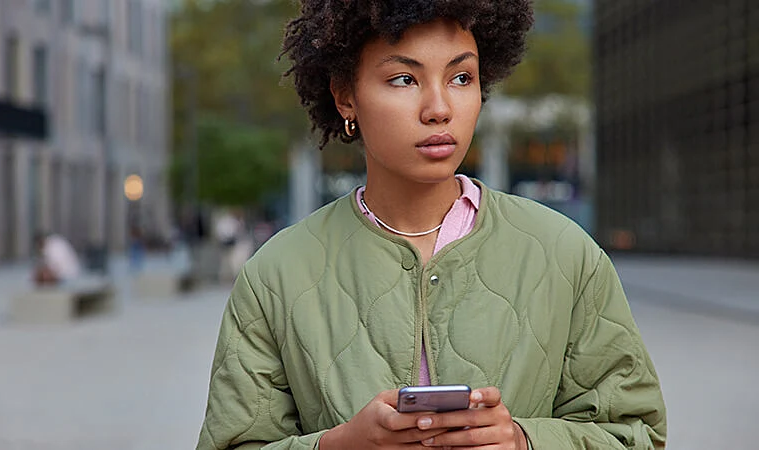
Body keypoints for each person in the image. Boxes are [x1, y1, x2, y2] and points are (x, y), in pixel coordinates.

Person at [196, 1, 667, 449]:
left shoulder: (566, 255)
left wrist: (525, 441)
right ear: (345, 95)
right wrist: (337, 444)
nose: (439, 108)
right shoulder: (274, 277)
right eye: (404, 78)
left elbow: (635, 433)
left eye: (462, 77)